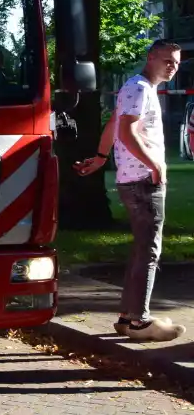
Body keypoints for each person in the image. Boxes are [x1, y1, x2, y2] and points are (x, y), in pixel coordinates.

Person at [74, 39, 185, 342]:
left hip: (131, 180)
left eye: (176, 62)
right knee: (149, 250)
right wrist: (156, 166)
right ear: (151, 57)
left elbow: (113, 123)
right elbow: (126, 130)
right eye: (167, 60)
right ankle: (139, 322)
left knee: (142, 249)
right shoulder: (140, 88)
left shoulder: (133, 86)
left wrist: (99, 157)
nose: (172, 67)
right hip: (142, 181)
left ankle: (128, 317)